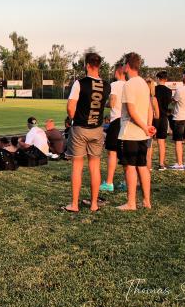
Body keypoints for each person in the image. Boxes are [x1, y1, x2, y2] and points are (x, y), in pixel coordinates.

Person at [63, 52, 110, 212]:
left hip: (80, 129)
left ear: (87, 65)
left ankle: (75, 204)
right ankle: (94, 204)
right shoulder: (106, 84)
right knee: (94, 167)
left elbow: (70, 107)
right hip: (97, 130)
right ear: (99, 65)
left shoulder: (79, 83)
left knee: (77, 166)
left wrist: (73, 119)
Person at [117, 52, 156, 211]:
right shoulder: (143, 84)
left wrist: (145, 127)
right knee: (142, 166)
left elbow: (131, 111)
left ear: (127, 65)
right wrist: (148, 126)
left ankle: (131, 203)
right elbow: (149, 108)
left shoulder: (129, 84)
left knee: (130, 167)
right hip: (142, 134)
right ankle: (146, 201)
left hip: (130, 133)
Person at [101, 63, 126, 192]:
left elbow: (112, 102)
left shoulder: (115, 85)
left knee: (112, 152)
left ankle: (109, 183)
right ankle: (127, 182)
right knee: (126, 154)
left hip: (117, 121)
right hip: (128, 122)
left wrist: (103, 104)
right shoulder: (130, 84)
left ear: (117, 72)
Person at [154, 71, 172, 170]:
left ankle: (148, 163)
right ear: (166, 79)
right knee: (161, 142)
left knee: (150, 142)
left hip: (154, 117)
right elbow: (169, 106)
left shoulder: (154, 90)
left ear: (157, 78)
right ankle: (161, 163)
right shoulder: (169, 91)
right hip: (164, 117)